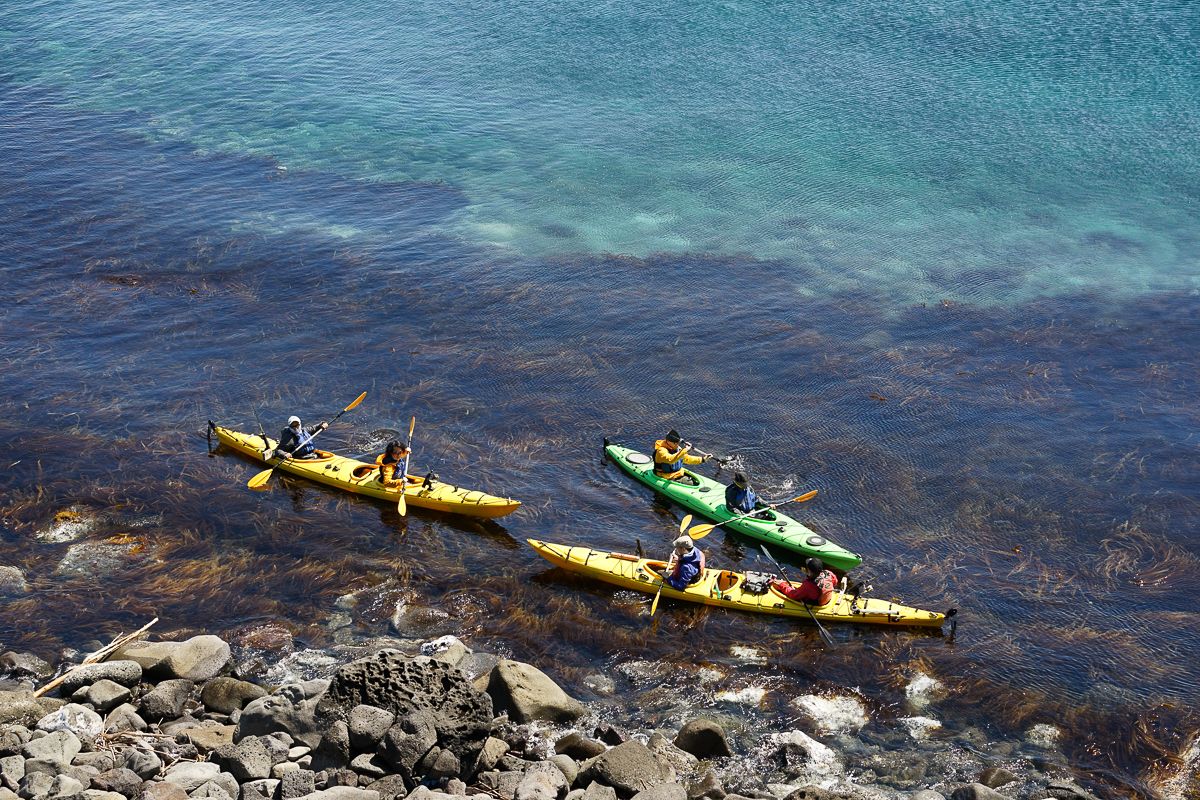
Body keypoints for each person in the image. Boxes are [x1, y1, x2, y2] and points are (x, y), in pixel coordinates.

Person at [772, 557, 837, 605]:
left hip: (817, 603)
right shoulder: (828, 573)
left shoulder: (808, 586)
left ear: (809, 571)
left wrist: (782, 585)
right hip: (827, 598)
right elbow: (835, 582)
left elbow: (793, 595)